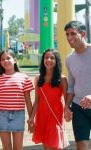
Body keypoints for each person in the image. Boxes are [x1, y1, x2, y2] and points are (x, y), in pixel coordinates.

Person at [0, 50, 34, 150]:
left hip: (19, 115)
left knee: (18, 147)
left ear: (14, 60)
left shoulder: (24, 78)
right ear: (0, 63)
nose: (5, 61)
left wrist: (31, 119)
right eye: (2, 59)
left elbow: (28, 101)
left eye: (8, 58)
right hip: (3, 115)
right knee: (6, 147)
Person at [28, 49, 68, 149]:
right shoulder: (38, 78)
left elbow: (67, 100)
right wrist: (32, 117)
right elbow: (37, 100)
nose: (48, 60)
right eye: (46, 57)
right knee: (46, 145)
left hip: (56, 114)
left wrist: (68, 112)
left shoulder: (62, 79)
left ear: (56, 61)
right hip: (42, 114)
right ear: (43, 60)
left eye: (52, 58)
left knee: (55, 143)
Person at [64, 20, 91, 150]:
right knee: (81, 144)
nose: (69, 38)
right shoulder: (69, 59)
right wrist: (67, 106)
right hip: (78, 107)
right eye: (67, 34)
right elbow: (71, 85)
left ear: (83, 34)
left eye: (73, 33)